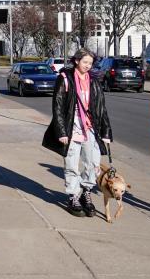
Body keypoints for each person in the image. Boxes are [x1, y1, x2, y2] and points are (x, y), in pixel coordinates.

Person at [48, 48, 113, 217]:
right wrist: (61, 131)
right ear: (76, 61)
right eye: (85, 62)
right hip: (72, 127)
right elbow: (58, 107)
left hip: (91, 128)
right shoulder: (65, 78)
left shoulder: (94, 81)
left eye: (90, 63)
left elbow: (101, 108)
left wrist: (106, 132)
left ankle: (86, 192)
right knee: (71, 163)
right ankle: (73, 196)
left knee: (92, 163)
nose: (87, 66)